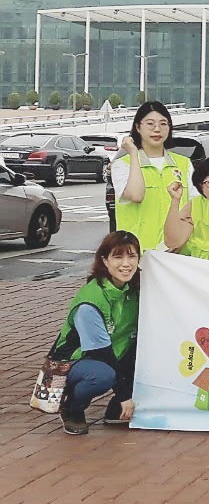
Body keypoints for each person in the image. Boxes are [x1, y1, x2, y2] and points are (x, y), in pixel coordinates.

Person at [50, 231, 141, 435]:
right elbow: (102, 353)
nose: (126, 264)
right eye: (118, 257)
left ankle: (115, 409)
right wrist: (125, 395)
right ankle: (72, 408)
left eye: (132, 256)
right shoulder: (90, 302)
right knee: (102, 375)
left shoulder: (133, 288)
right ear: (104, 260)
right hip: (75, 361)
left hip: (114, 354)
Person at [112, 100, 196, 251]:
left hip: (179, 251)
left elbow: (194, 209)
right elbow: (136, 195)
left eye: (163, 124)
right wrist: (133, 153)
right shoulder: (123, 164)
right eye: (150, 124)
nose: (157, 129)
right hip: (139, 254)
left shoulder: (184, 164)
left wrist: (180, 242)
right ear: (138, 127)